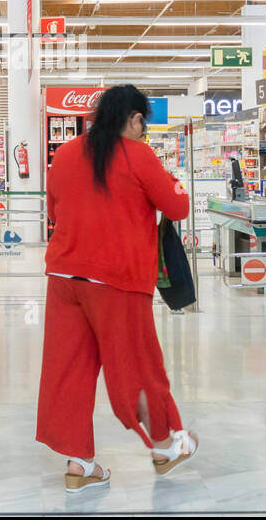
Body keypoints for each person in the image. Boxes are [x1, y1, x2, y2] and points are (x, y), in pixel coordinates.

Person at [36, 84, 196, 493]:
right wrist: (171, 182)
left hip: (64, 277)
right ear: (134, 117)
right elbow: (177, 206)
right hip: (116, 280)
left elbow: (55, 209)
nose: (144, 131)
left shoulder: (66, 153)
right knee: (139, 365)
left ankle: (79, 463)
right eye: (144, 122)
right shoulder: (139, 155)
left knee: (69, 370)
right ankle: (165, 445)